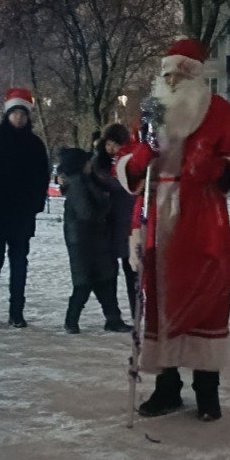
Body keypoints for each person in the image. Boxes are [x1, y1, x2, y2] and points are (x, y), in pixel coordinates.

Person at [117, 38, 230, 421]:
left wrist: (220, 168)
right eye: (166, 74)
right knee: (160, 301)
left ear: (196, 76)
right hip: (156, 213)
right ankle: (166, 388)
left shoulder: (219, 112)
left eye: (180, 74)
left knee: (207, 301)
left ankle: (207, 391)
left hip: (201, 217)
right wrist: (138, 159)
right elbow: (127, 162)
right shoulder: (150, 111)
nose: (172, 81)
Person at [0, 87, 50, 329]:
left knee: (19, 264)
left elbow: (42, 178)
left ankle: (17, 312)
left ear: (28, 117)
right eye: (15, 113)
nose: (19, 118)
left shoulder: (35, 144)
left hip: (21, 215)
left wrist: (34, 205)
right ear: (7, 115)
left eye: (23, 114)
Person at [58, 146, 131, 334]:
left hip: (92, 240)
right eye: (87, 162)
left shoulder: (85, 181)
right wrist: (107, 205)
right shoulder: (78, 184)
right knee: (84, 283)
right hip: (82, 242)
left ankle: (113, 319)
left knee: (104, 280)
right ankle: (71, 320)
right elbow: (87, 213)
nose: (91, 165)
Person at [93, 122, 136, 317]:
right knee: (108, 274)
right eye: (108, 144)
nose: (111, 149)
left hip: (127, 223)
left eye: (115, 144)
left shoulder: (130, 163)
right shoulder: (98, 164)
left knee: (132, 271)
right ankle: (112, 316)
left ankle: (137, 312)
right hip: (107, 225)